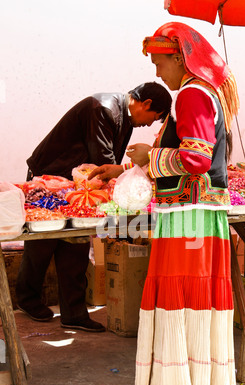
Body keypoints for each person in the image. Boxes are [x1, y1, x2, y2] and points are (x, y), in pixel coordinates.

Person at [118, 22, 240, 385]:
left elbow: (196, 158)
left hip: (187, 217)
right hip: (201, 218)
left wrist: (149, 159)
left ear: (177, 57)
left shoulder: (191, 93)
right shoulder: (205, 93)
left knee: (175, 302)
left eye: (158, 62)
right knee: (195, 303)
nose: (158, 73)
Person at [16, 83, 172, 332]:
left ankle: (74, 313)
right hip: (50, 177)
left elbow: (108, 163)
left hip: (78, 182)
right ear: (147, 104)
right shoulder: (102, 108)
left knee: (76, 244)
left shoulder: (125, 118)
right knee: (42, 242)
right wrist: (129, 182)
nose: (149, 125)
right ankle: (28, 299)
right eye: (154, 118)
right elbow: (104, 160)